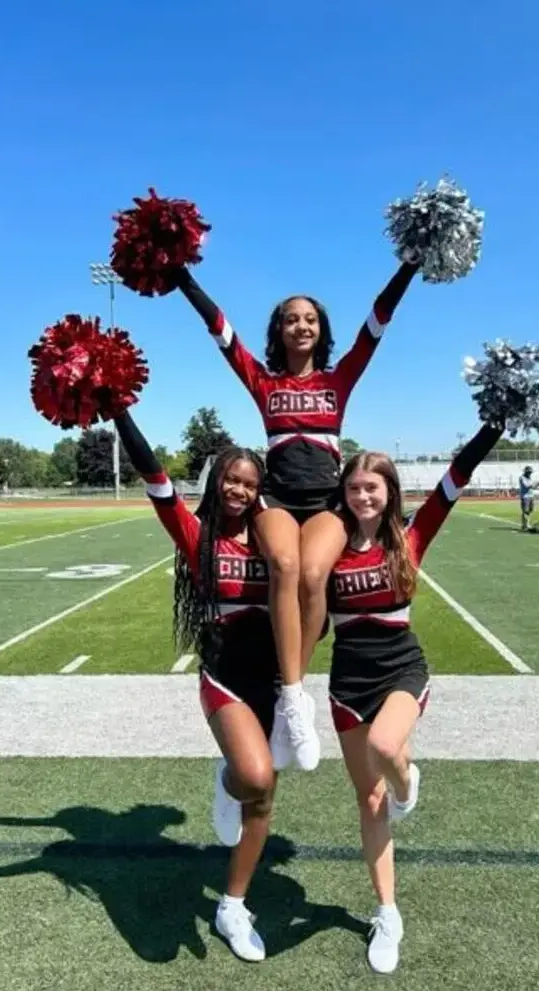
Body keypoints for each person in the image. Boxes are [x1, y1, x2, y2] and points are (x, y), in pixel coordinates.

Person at [173, 258, 421, 771]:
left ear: (320, 329)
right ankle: (291, 697)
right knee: (285, 566)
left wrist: (408, 266)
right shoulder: (264, 384)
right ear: (279, 330)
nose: (301, 325)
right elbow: (221, 334)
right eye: (291, 318)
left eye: (310, 318)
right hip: (278, 500)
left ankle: (293, 693)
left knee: (313, 575)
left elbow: (376, 326)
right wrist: (182, 279)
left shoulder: (339, 380)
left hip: (328, 502)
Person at [325, 419, 504, 974]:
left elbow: (456, 476)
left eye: (372, 486)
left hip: (401, 668)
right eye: (354, 487)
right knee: (369, 801)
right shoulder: (326, 544)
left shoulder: (410, 535)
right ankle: (388, 913)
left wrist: (491, 427)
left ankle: (409, 778)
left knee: (386, 747)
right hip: (347, 679)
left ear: (389, 491)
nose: (362, 495)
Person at [113, 407, 279, 963]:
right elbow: (155, 479)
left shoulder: (275, 538)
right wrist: (119, 411)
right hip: (225, 676)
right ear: (217, 482)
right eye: (232, 479)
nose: (239, 489)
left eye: (250, 484)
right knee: (254, 776)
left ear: (261, 492)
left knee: (264, 799)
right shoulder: (198, 536)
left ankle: (232, 905)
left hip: (276, 682)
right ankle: (229, 774)